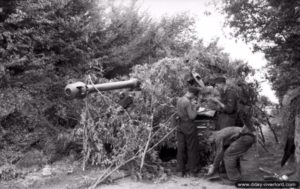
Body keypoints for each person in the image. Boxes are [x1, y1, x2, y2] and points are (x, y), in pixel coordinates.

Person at [176, 86, 202, 177]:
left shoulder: (179, 99)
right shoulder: (187, 102)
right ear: (192, 94)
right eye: (194, 96)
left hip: (180, 125)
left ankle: (180, 171)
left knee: (181, 148)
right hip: (189, 126)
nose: (194, 98)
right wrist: (196, 108)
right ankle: (193, 171)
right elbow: (192, 116)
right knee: (191, 148)